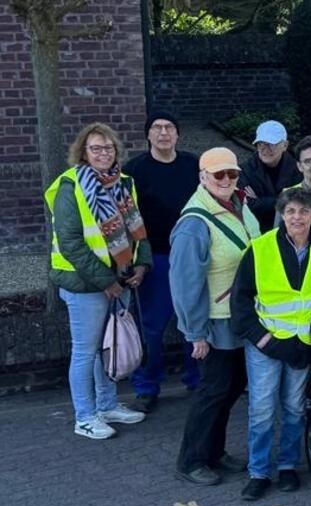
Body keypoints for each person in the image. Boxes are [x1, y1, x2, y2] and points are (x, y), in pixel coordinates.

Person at [231, 185, 311, 499]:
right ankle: (258, 472)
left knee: (295, 409)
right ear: (282, 213)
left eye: (304, 211)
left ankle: (287, 467)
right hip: (266, 343)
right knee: (262, 409)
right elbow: (240, 302)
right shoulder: (261, 247)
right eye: (291, 211)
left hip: (302, 345)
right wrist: (262, 339)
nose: (297, 217)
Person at [45, 123, 151, 439]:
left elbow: (138, 228)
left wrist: (141, 263)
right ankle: (85, 416)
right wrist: (106, 281)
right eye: (95, 148)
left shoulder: (123, 183)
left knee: (106, 348)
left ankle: (107, 404)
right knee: (85, 351)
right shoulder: (70, 186)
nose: (103, 153)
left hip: (120, 280)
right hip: (85, 285)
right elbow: (71, 242)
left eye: (108, 148)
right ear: (83, 152)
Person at [171, 147, 261, 485]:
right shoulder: (194, 223)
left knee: (231, 386)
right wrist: (195, 332)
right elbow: (184, 283)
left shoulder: (240, 205)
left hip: (239, 315)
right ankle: (191, 460)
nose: (225, 179)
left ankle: (213, 452)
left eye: (231, 173)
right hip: (216, 320)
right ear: (203, 178)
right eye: (218, 174)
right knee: (214, 388)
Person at [123, 107, 201, 410]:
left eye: (170, 127)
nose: (164, 132)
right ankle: (147, 385)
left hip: (191, 258)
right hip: (155, 259)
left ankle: (196, 379)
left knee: (193, 322)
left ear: (178, 133)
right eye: (157, 127)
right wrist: (136, 259)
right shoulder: (134, 171)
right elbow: (127, 219)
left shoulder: (193, 166)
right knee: (152, 327)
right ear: (148, 135)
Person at [239, 120, 299, 230]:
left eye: (271, 144)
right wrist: (284, 200)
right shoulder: (245, 170)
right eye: (260, 144)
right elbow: (248, 206)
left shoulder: (298, 169)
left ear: (285, 145)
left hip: (291, 231)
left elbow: (301, 203)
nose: (265, 149)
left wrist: (260, 201)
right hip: (259, 233)